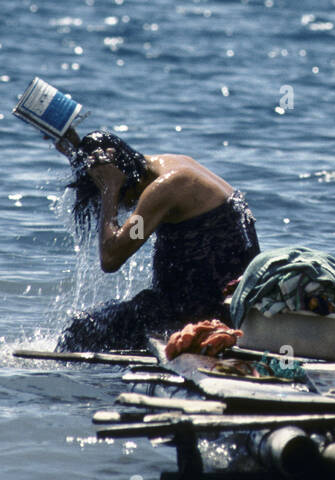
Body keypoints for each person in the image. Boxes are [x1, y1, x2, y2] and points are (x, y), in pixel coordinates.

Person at [54, 131, 260, 352]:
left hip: (204, 314)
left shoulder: (164, 190)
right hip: (219, 304)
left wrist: (108, 190)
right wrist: (74, 149)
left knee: (81, 331)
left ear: (121, 178)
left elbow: (111, 257)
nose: (125, 207)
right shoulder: (169, 165)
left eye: (122, 199)